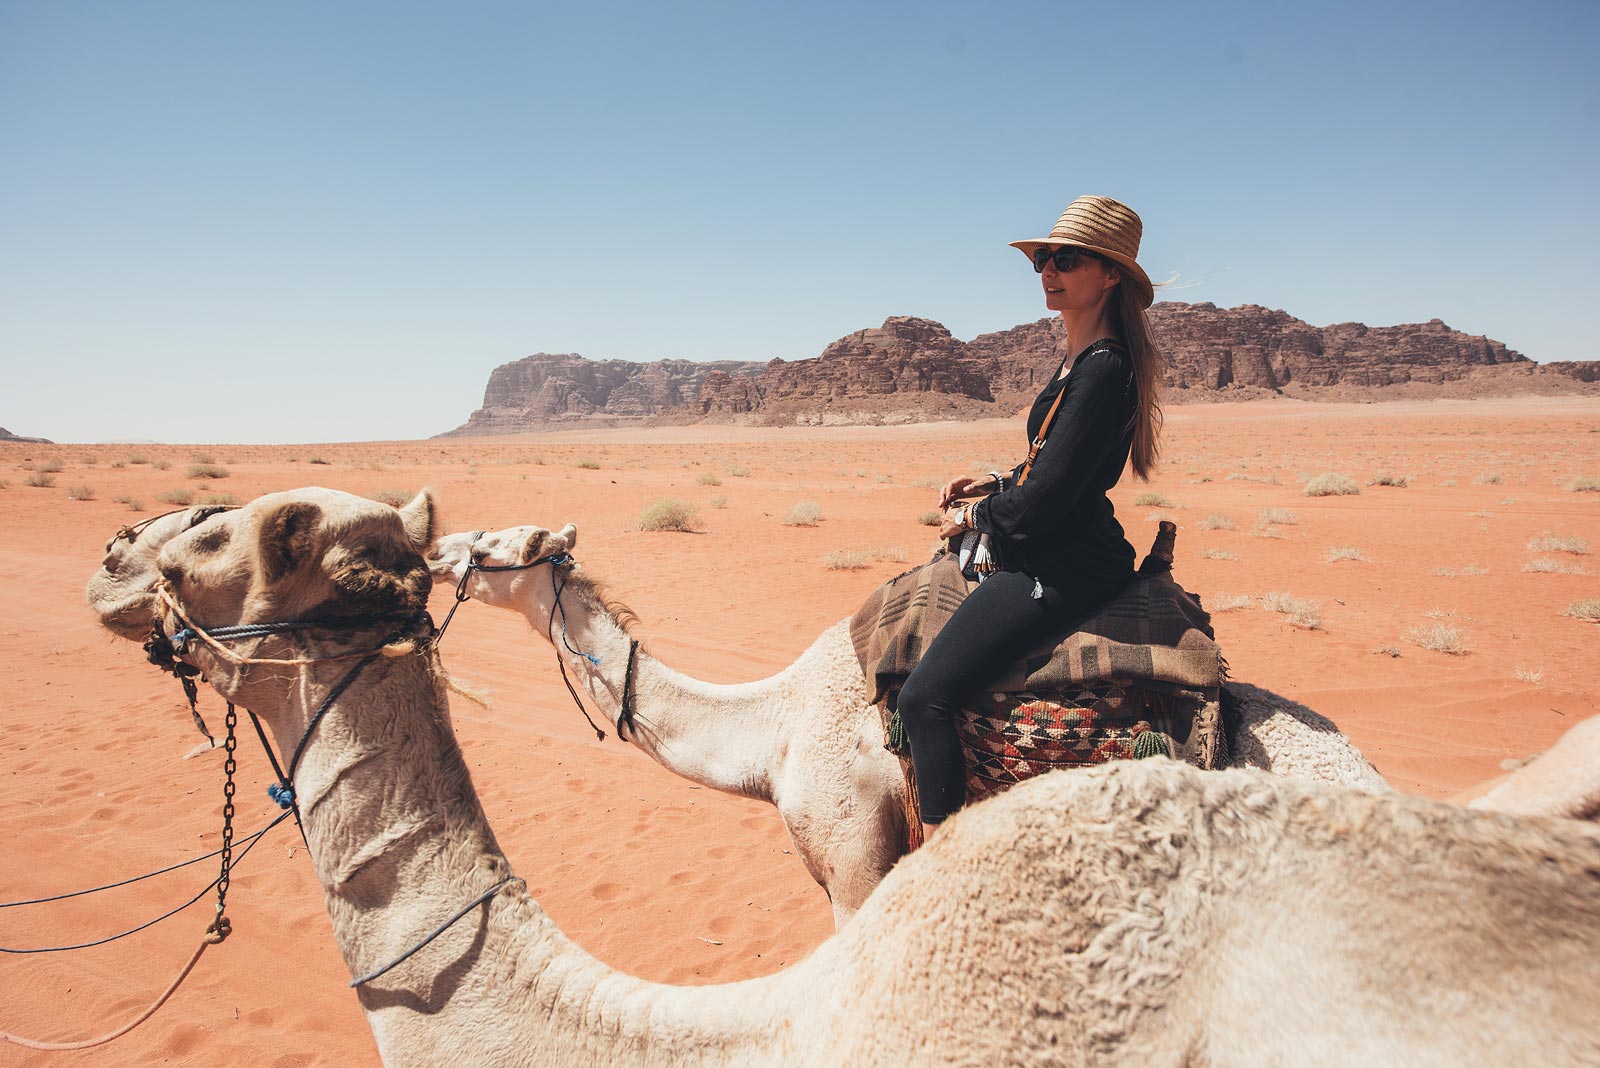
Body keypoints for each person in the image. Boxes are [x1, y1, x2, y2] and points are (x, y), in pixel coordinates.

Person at [896, 194, 1166, 839]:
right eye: (1043, 259)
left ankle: (943, 862)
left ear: (1110, 275)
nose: (1048, 270)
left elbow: (1043, 503)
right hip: (1060, 539)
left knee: (922, 699)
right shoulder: (1081, 360)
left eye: (1066, 259)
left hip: (1062, 562)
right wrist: (994, 480)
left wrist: (978, 516)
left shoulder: (1103, 369)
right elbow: (1053, 462)